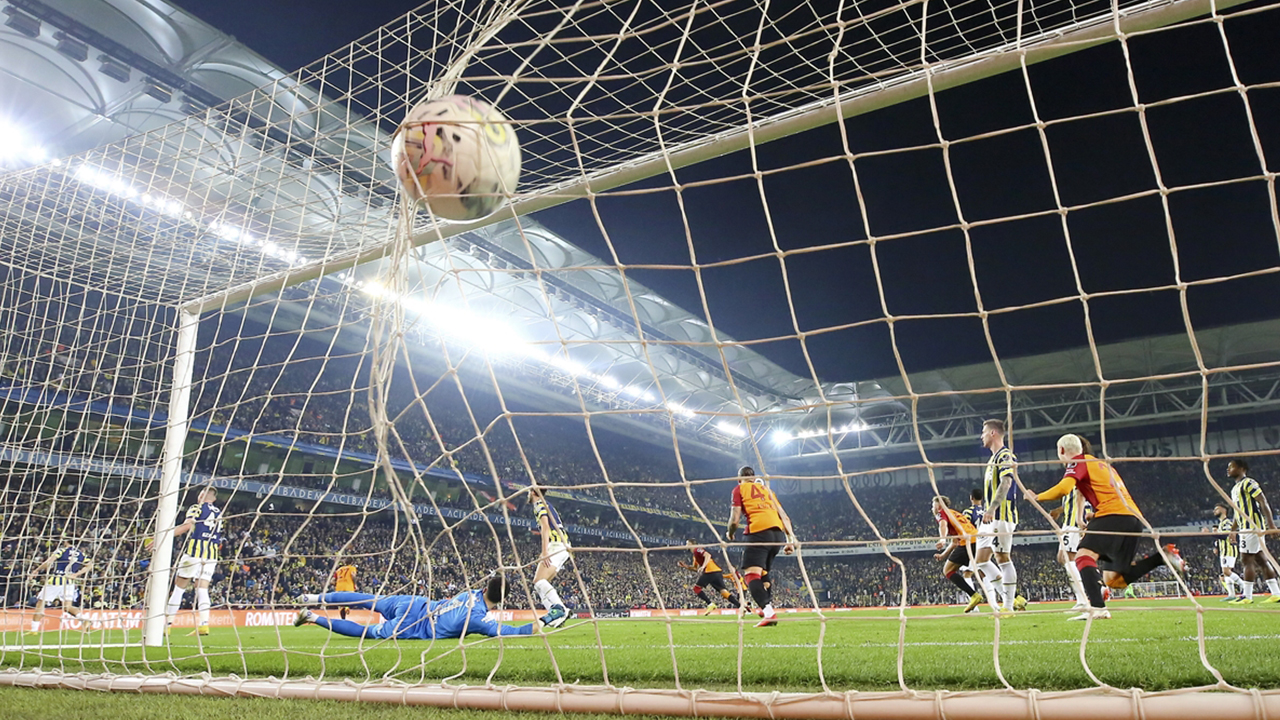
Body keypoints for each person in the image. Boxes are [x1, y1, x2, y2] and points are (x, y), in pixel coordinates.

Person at [1032, 433, 1185, 621]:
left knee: (1082, 557)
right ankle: (1161, 557)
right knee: (1113, 580)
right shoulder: (1103, 465)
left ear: (1061, 450)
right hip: (1132, 519)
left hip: (1112, 514)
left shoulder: (1078, 462)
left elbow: (1064, 488)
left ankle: (1098, 608)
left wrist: (1037, 497)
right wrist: (1091, 516)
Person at [294, 574, 535, 639]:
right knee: (368, 632)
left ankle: (312, 598)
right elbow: (510, 632)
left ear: (485, 588)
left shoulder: (470, 593)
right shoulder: (478, 618)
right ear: (502, 600)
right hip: (414, 626)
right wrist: (542, 622)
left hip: (413, 602)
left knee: (365, 599)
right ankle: (312, 617)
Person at [727, 466, 796, 628]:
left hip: (758, 532)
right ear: (754, 477)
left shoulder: (739, 489)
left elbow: (735, 519)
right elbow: (784, 516)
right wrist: (790, 540)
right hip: (777, 535)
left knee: (751, 575)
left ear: (739, 479)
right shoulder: (768, 491)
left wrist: (730, 533)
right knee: (763, 574)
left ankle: (768, 612)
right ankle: (765, 608)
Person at [977, 419, 1027, 614]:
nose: (981, 436)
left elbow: (1006, 482)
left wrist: (992, 508)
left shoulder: (1005, 455)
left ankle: (1008, 606)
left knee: (1002, 557)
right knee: (981, 559)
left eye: (983, 432)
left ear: (993, 433)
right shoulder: (992, 459)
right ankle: (1012, 598)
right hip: (990, 518)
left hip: (1001, 515)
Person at [160, 486, 224, 636]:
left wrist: (163, 536)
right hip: (211, 554)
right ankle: (204, 625)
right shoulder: (219, 513)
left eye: (201, 494)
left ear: (203, 496)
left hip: (194, 552)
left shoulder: (197, 507)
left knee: (179, 588)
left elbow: (188, 525)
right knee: (202, 589)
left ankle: (167, 625)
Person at [1225, 459, 1280, 605]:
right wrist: (1233, 531)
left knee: (1246, 559)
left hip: (1252, 526)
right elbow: (1238, 512)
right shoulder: (1234, 489)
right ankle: (1276, 593)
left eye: (1231, 467)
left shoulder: (1249, 482)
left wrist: (1271, 525)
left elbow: (1263, 501)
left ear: (1241, 468)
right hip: (1244, 527)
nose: (1228, 469)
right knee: (1261, 559)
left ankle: (1247, 596)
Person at [1049, 435, 1093, 611]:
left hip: (1074, 522)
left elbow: (1081, 496)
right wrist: (1059, 510)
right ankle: (1091, 592)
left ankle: (1084, 599)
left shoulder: (1077, 468)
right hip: (1070, 520)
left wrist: (1081, 517)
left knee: (1068, 558)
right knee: (1065, 558)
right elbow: (1072, 497)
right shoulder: (1076, 468)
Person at [931, 496, 984, 614]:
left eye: (933, 505)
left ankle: (974, 595)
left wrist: (942, 539)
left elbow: (942, 525)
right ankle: (1015, 597)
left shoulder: (941, 513)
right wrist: (943, 555)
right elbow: (955, 542)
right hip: (978, 540)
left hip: (968, 542)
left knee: (948, 570)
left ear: (939, 505)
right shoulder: (954, 513)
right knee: (985, 569)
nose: (932, 508)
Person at [529, 488, 571, 627]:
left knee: (539, 581)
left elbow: (545, 527)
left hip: (556, 545)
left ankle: (561, 610)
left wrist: (544, 552)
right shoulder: (547, 504)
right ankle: (555, 617)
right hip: (563, 546)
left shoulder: (539, 504)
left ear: (533, 492)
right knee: (539, 583)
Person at [28, 545, 92, 634]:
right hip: (69, 582)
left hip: (56, 581)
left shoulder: (61, 550)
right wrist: (76, 574)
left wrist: (36, 570)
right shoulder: (81, 554)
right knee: (67, 607)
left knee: (40, 604)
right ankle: (84, 619)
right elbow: (90, 565)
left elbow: (49, 562)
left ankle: (34, 630)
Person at [677, 538, 740, 614]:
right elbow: (695, 568)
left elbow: (708, 555)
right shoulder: (695, 556)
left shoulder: (697, 549)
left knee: (696, 588)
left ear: (691, 544)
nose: (686, 545)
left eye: (687, 544)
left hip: (710, 571)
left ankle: (710, 604)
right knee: (723, 592)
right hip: (717, 571)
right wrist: (685, 566)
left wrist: (703, 566)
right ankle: (741, 606)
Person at [1211, 502, 1243, 601]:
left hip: (1229, 550)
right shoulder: (1221, 524)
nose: (1214, 511)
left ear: (1223, 510)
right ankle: (1232, 594)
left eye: (1217, 509)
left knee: (1226, 571)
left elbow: (1225, 536)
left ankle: (1244, 586)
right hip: (1224, 551)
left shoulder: (1227, 523)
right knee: (1226, 574)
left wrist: (1211, 533)